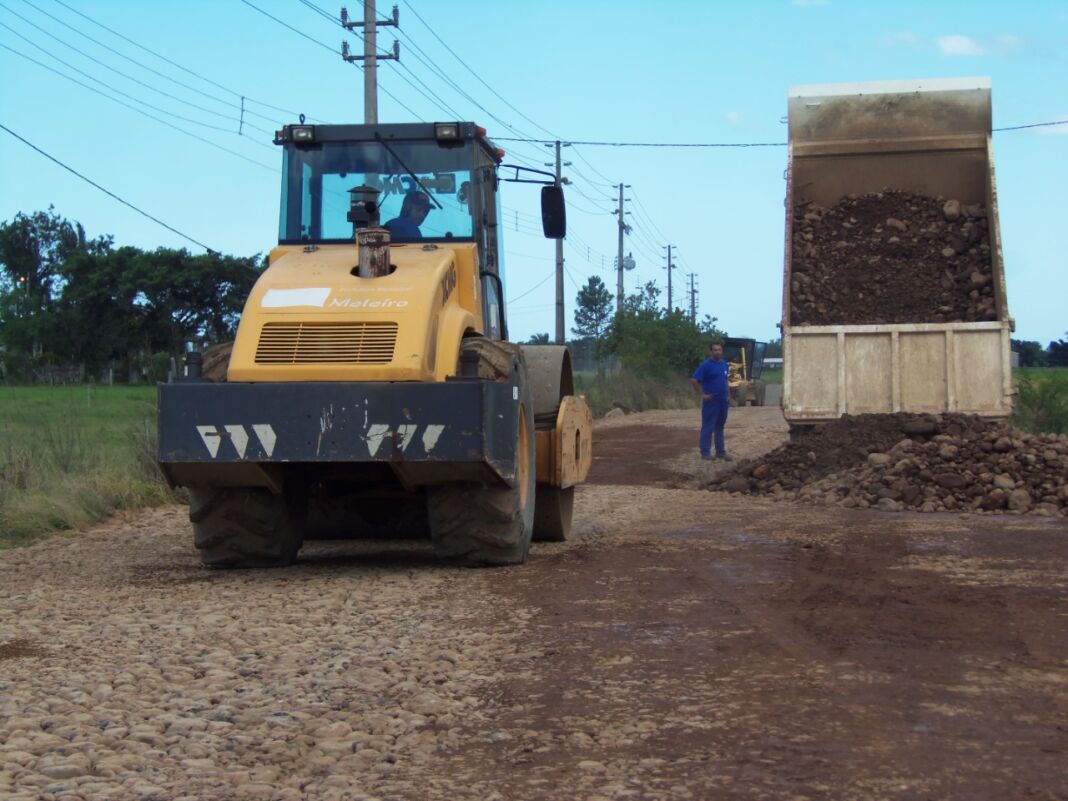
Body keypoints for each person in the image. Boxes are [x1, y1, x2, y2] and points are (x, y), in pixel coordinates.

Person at [691, 341, 732, 461]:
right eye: (715, 350)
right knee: (708, 426)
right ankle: (705, 452)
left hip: (723, 400)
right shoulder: (705, 365)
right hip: (711, 400)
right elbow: (694, 380)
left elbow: (725, 381)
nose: (717, 352)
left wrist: (728, 395)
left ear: (722, 351)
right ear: (711, 351)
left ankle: (720, 452)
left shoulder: (724, 364)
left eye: (719, 350)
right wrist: (702, 395)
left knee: (720, 426)